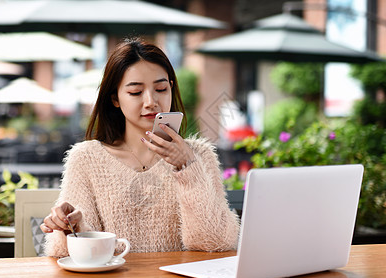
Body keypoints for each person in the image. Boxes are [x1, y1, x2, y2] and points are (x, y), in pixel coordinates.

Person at [41, 39, 240, 257]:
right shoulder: (86, 159)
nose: (151, 101)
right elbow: (63, 253)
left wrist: (188, 167)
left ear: (171, 89)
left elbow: (216, 243)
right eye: (136, 92)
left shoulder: (199, 155)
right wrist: (72, 228)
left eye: (161, 89)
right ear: (115, 98)